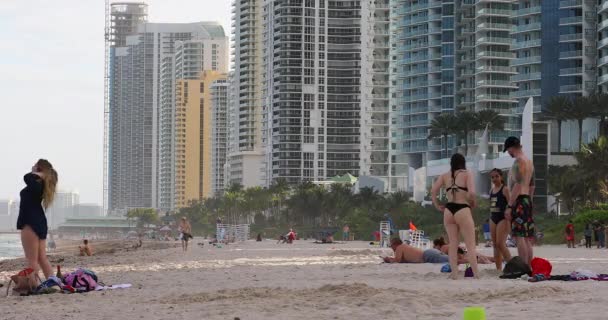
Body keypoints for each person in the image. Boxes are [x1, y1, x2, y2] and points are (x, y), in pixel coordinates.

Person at [431, 153, 479, 279]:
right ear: (463, 163)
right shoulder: (467, 174)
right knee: (470, 244)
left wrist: (437, 205)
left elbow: (433, 190)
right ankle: (476, 274)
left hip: (448, 210)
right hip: (462, 208)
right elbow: (472, 192)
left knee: (453, 244)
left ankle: (454, 274)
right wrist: (473, 203)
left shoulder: (444, 176)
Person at [17, 159, 58, 280]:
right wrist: (41, 174)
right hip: (39, 221)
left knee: (32, 259)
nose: (32, 166)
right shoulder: (40, 184)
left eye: (35, 165)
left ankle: (34, 285)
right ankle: (54, 283)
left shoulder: (36, 183)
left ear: (39, 168)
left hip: (30, 222)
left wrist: (37, 173)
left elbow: (26, 177)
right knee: (41, 258)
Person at [503, 136, 536, 266]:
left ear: (512, 147)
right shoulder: (529, 162)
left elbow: (517, 184)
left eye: (508, 150)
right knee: (527, 237)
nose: (508, 153)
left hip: (519, 201)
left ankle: (523, 266)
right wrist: (530, 203)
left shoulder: (519, 162)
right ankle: (529, 267)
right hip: (527, 200)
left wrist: (510, 206)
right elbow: (532, 185)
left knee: (519, 236)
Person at [488, 168, 512, 271]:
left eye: (497, 176)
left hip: (503, 218)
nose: (494, 179)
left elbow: (511, 204)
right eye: (492, 177)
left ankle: (512, 266)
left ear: (501, 177)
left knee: (500, 244)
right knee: (495, 245)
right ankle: (498, 269)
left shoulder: (505, 189)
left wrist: (510, 220)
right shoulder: (491, 190)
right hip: (493, 217)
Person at [384, 238, 461, 264]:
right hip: (429, 254)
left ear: (395, 244)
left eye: (391, 245)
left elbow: (398, 260)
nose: (391, 248)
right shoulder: (404, 246)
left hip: (427, 256)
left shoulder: (399, 248)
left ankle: (469, 260)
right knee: (451, 259)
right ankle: (467, 258)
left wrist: (388, 259)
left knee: (454, 260)